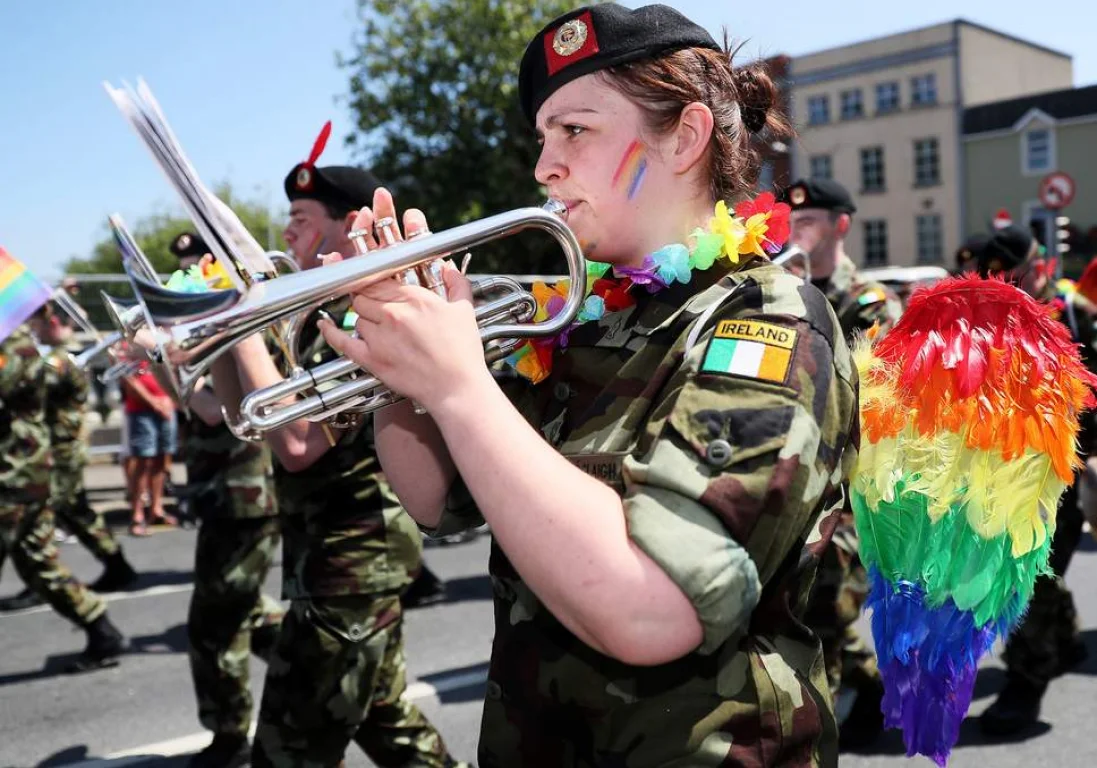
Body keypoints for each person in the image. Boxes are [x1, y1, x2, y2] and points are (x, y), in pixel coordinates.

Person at [320, 4, 859, 764]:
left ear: (685, 136)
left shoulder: (764, 324)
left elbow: (653, 612)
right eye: (542, 137)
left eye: (574, 131)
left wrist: (459, 387)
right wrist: (399, 367)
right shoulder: (582, 320)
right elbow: (435, 498)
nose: (543, 165)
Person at [211, 161, 463, 766]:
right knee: (387, 722)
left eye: (301, 220)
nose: (287, 235)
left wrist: (244, 327)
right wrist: (215, 335)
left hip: (351, 564)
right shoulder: (310, 315)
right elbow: (238, 415)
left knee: (285, 752)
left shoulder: (356, 317)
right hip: (329, 558)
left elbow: (299, 445)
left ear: (349, 224)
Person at [778, 177, 901, 746]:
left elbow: (881, 405)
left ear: (841, 226)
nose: (796, 229)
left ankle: (813, 738)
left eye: (811, 221)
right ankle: (871, 692)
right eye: (792, 220)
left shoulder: (870, 304)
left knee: (819, 596)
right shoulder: (778, 292)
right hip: (794, 471)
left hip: (853, 485)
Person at [163, 232, 286, 768]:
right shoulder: (213, 324)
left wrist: (170, 352)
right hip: (223, 492)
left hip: (247, 491)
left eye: (200, 266)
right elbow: (196, 404)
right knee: (245, 613)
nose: (190, 276)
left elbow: (218, 411)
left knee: (214, 623)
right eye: (186, 270)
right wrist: (166, 359)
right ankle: (308, 666)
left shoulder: (254, 320)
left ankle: (230, 737)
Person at [977, 225, 1097, 735]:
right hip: (1001, 471)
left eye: (1019, 272)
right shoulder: (980, 325)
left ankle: (1025, 686)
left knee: (1027, 578)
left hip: (1063, 470)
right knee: (1025, 574)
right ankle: (1063, 638)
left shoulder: (1076, 317)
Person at [0, 323, 127, 672]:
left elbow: (12, 382)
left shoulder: (14, 341)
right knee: (35, 557)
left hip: (16, 468)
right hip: (21, 466)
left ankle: (102, 624)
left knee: (38, 554)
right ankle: (100, 628)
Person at [120, 356, 178, 535]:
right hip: (141, 410)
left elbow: (174, 371)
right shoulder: (129, 346)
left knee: (162, 459)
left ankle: (156, 509)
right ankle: (137, 515)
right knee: (143, 461)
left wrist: (171, 399)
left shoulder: (161, 340)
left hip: (166, 408)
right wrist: (154, 402)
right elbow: (129, 380)